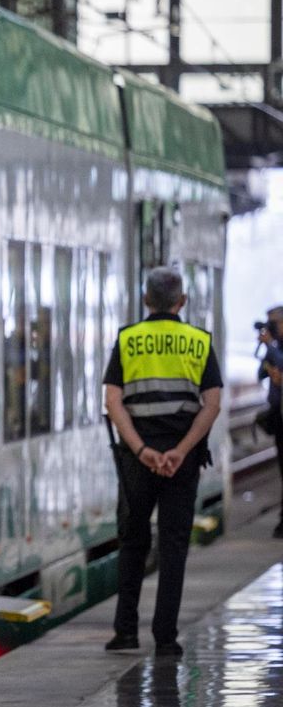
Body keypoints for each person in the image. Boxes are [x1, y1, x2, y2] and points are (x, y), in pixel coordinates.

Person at [102, 266, 223, 657]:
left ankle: (125, 632)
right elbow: (212, 404)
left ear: (145, 300)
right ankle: (165, 637)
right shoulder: (199, 342)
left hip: (137, 462)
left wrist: (140, 449)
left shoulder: (128, 340)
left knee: (133, 542)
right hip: (180, 462)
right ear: (182, 302)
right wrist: (181, 450)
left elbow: (113, 401)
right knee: (173, 546)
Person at [256, 307, 283, 538]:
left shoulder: (276, 349)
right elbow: (261, 374)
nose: (272, 328)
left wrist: (271, 347)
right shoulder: (274, 349)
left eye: (275, 323)